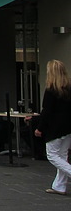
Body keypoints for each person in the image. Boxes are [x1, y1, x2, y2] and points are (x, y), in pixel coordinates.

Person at [35, 60, 71, 195]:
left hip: (55, 128)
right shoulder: (68, 88)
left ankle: (61, 184)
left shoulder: (51, 89)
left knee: (52, 155)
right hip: (68, 127)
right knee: (62, 155)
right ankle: (59, 186)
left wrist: (40, 127)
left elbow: (47, 111)